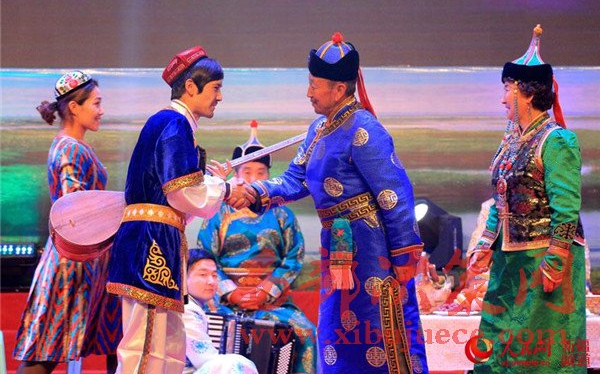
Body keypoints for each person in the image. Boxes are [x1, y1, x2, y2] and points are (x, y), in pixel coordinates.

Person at [239, 32, 429, 373]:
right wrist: (253, 191)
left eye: (314, 85)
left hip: (372, 252)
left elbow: (395, 196)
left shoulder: (365, 129)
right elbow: (295, 178)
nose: (308, 92)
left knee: (377, 330)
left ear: (339, 89)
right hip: (338, 248)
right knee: (337, 332)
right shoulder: (318, 129)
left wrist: (405, 255)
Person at [106, 46, 254, 374]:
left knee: (168, 344)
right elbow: (182, 191)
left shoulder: (172, 124)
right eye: (215, 88)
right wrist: (227, 189)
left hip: (160, 239)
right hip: (151, 242)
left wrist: (215, 184)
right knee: (145, 346)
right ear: (190, 87)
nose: (219, 97)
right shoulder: (173, 123)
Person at [471, 25, 586, 372]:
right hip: (509, 262)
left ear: (527, 93)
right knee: (496, 345)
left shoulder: (556, 141)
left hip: (541, 263)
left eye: (507, 90)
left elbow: (567, 207)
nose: (502, 99)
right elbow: (501, 199)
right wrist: (485, 244)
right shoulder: (511, 141)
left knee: (535, 354)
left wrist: (556, 259)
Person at [13, 70, 122, 374]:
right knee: (46, 350)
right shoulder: (69, 148)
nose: (101, 111)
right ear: (74, 107)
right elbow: (73, 207)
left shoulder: (74, 145)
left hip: (86, 259)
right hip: (72, 262)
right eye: (96, 103)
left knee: (107, 343)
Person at [197, 121, 317, 373]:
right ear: (235, 175)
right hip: (226, 303)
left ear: (269, 176)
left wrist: (265, 291)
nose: (253, 179)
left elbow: (293, 258)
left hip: (270, 301)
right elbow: (206, 259)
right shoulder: (218, 214)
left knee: (305, 331)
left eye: (261, 173)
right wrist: (232, 292)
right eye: (247, 172)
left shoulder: (282, 215)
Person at [183, 249, 258, 374]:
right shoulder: (186, 309)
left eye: (214, 275)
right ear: (182, 277)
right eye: (203, 275)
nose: (211, 282)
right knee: (235, 363)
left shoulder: (192, 306)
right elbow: (204, 359)